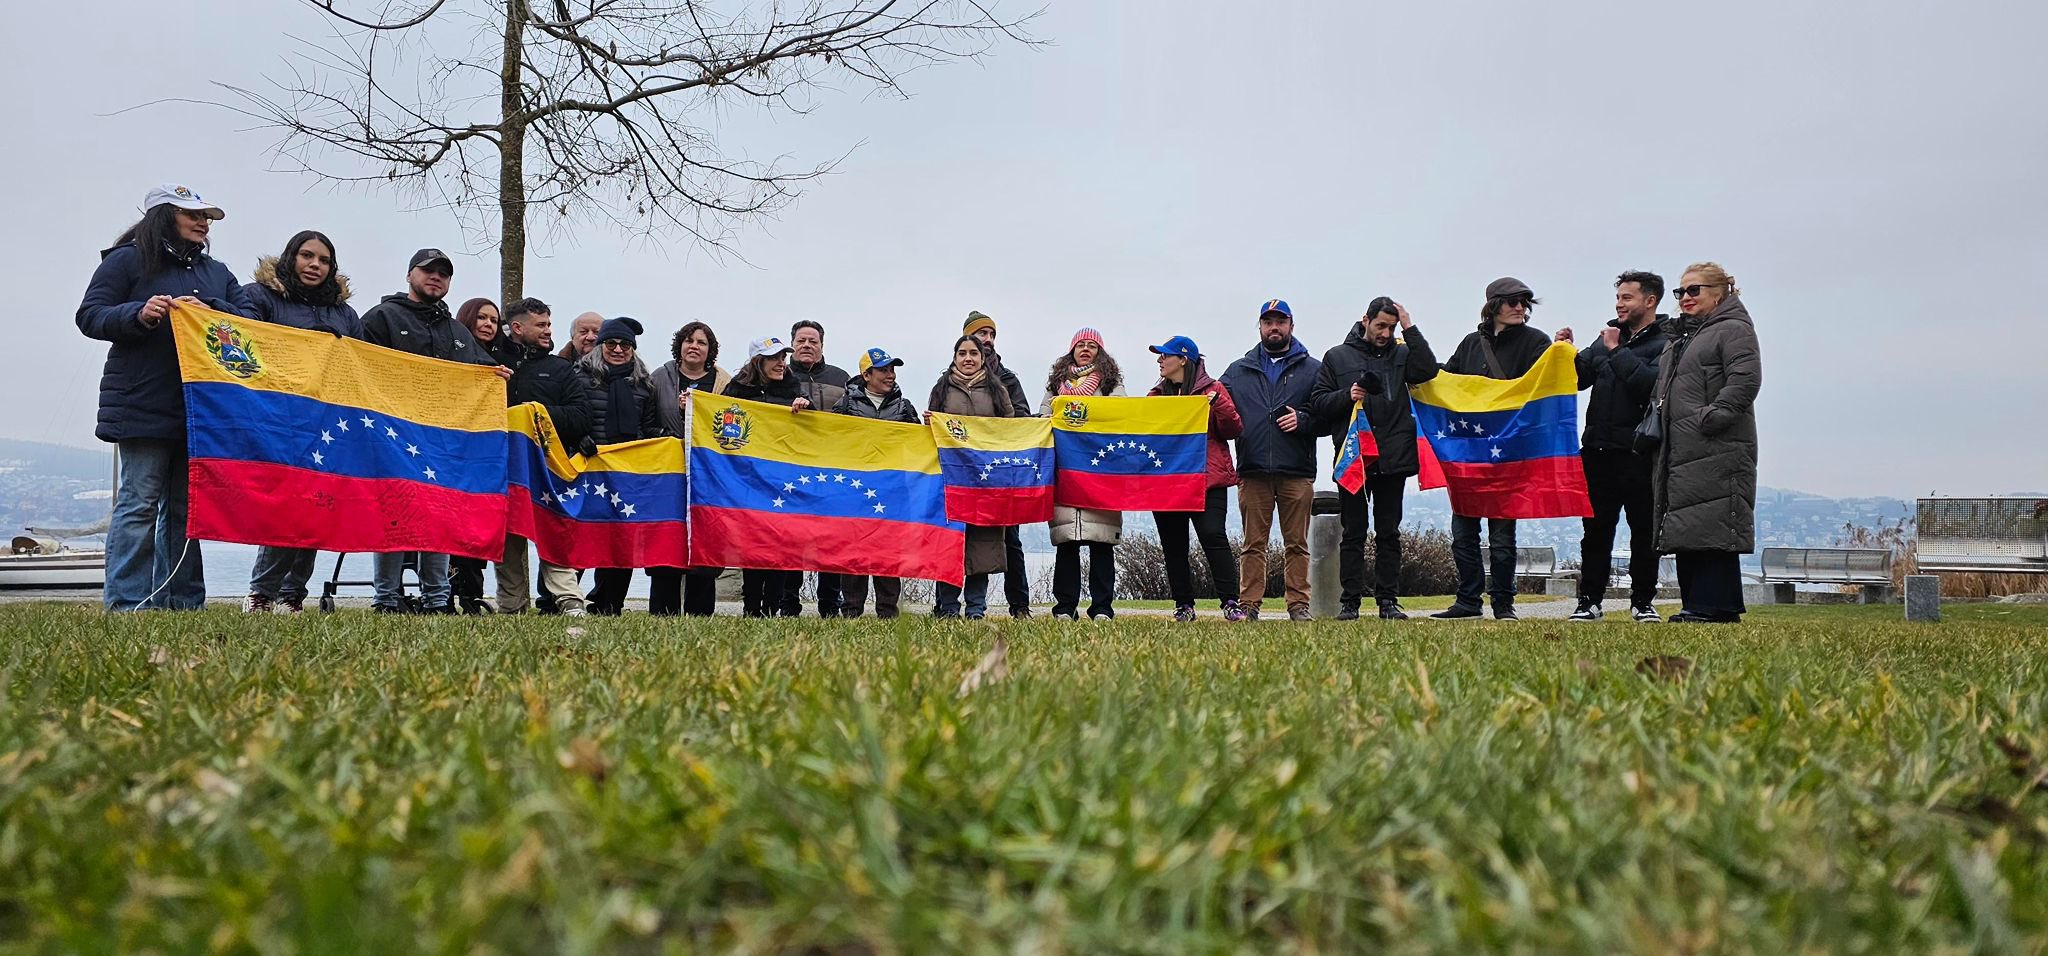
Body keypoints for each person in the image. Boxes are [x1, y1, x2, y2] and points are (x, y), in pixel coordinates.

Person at [77, 184, 256, 612]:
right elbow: (89, 315)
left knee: (184, 510)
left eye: (206, 217)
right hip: (141, 400)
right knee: (139, 503)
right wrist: (138, 313)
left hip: (201, 407)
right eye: (192, 214)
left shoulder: (217, 273)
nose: (203, 222)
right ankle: (127, 604)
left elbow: (251, 320)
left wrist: (212, 308)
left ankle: (182, 603)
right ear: (162, 217)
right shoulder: (126, 261)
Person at [361, 248, 509, 613]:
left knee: (439, 513)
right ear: (409, 274)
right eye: (428, 270)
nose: (436, 277)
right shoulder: (381, 317)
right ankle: (387, 598)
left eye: (444, 273)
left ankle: (437, 599)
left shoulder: (456, 330)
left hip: (443, 439)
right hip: (393, 434)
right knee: (394, 514)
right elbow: (359, 364)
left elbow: (481, 368)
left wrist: (495, 375)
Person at [1430, 277, 1568, 622]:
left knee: (1503, 537)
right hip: (1471, 455)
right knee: (1463, 534)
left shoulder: (1536, 342)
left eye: (1524, 302)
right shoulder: (1470, 344)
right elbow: (1448, 382)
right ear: (1493, 306)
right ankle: (1468, 600)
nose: (1519, 307)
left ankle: (1504, 604)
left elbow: (1549, 383)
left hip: (1509, 455)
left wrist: (1562, 353)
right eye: (1512, 301)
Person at [241, 229, 364, 614]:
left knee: (316, 508)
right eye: (307, 256)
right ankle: (262, 593)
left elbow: (363, 362)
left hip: (327, 423)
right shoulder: (260, 297)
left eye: (324, 260)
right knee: (286, 506)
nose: (315, 265)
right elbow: (246, 339)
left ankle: (292, 594)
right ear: (290, 257)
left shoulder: (344, 314)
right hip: (279, 419)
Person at [1307, 297, 1439, 620]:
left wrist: (1409, 327)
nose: (1385, 333)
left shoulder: (1402, 353)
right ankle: (1350, 602)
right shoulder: (1337, 357)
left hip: (1394, 455)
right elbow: (1318, 402)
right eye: (1381, 326)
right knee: (1353, 532)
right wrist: (1347, 395)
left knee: (1388, 533)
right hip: (1353, 456)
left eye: (1391, 327)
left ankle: (1388, 601)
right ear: (1365, 320)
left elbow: (1428, 369)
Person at [1651, 262, 1762, 624]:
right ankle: (1697, 604)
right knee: (1689, 524)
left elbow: (1745, 379)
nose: (1685, 297)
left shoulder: (1732, 329)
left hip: (1718, 444)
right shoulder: (1685, 337)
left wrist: (1711, 417)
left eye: (1694, 290)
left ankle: (1715, 606)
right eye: (1681, 291)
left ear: (1719, 293)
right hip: (1683, 446)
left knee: (1713, 522)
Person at [1570, 271, 1671, 623]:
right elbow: (1578, 379)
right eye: (1618, 297)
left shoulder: (1666, 342)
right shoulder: (1606, 337)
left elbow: (1650, 385)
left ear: (1650, 301)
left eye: (1627, 298)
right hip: (1598, 450)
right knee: (1595, 532)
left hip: (1640, 452)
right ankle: (1589, 601)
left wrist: (1616, 351)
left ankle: (1642, 601)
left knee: (1644, 530)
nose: (1619, 304)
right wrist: (1565, 352)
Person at [1219, 299, 1322, 622]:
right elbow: (1215, 405)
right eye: (1268, 322)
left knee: (1297, 544)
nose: (1274, 327)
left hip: (1297, 470)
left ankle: (1299, 605)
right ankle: (1249, 605)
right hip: (1253, 470)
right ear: (1260, 326)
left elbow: (1328, 414)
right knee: (1253, 544)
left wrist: (1303, 421)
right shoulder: (1238, 371)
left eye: (1280, 321)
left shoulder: (1313, 369)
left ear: (1291, 325)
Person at [497, 297, 596, 616]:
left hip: (547, 467)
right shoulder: (494, 363)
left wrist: (535, 415)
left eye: (549, 324)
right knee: (508, 534)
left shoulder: (559, 368)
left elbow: (582, 416)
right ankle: (511, 605)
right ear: (517, 327)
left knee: (554, 529)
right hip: (504, 465)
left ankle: (569, 599)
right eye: (540, 325)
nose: (548, 330)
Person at [577, 317, 678, 615]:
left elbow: (647, 426)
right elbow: (571, 415)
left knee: (621, 537)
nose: (618, 349)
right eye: (611, 343)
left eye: (625, 345)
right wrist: (577, 438)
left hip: (626, 472)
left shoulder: (643, 385)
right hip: (588, 467)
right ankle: (561, 599)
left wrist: (664, 440)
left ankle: (609, 603)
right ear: (600, 345)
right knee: (581, 535)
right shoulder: (580, 376)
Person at [1147, 336, 1246, 622]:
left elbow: (1233, 429)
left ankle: (1230, 601)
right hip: (1168, 482)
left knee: (1213, 535)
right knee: (1173, 544)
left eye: (1165, 355)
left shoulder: (1214, 390)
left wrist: (1218, 405)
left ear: (1183, 359)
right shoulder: (1155, 396)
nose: (1160, 361)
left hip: (1207, 480)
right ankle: (1184, 605)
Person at [927, 335, 1019, 618]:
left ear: (982, 358)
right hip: (950, 481)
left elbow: (1010, 429)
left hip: (986, 482)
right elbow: (930, 435)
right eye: (962, 353)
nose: (968, 358)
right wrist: (929, 423)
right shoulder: (941, 388)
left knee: (983, 544)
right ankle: (948, 607)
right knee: (950, 542)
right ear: (954, 357)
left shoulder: (997, 389)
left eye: (973, 353)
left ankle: (976, 607)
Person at [954, 311, 1037, 617]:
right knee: (957, 536)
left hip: (1000, 472)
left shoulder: (1008, 379)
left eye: (991, 334)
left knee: (1010, 539)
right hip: (962, 474)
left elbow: (1022, 417)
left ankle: (1019, 605)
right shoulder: (947, 382)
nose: (987, 339)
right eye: (981, 334)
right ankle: (946, 604)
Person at [1040, 328, 1125, 620]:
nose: (1086, 349)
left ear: (1100, 352)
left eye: (1092, 345)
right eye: (1080, 345)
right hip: (1066, 470)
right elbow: (1042, 419)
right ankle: (1065, 607)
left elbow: (1121, 414)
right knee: (1067, 542)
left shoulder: (1112, 383)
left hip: (1100, 472)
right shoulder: (1055, 385)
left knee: (1102, 542)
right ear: (1072, 350)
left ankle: (1102, 607)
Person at [726, 336, 811, 616]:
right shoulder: (737, 390)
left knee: (779, 544)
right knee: (752, 544)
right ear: (757, 361)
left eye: (782, 357)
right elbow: (718, 421)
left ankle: (772, 607)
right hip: (748, 478)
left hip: (781, 479)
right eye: (774, 358)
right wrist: (690, 407)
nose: (781, 363)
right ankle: (751, 607)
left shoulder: (792, 387)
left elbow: (810, 431)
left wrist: (806, 406)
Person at [832, 347, 919, 618]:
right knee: (854, 548)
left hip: (892, 490)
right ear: (866, 375)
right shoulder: (845, 405)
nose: (890, 375)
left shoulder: (904, 407)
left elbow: (919, 445)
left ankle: (888, 611)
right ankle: (851, 609)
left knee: (889, 549)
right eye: (883, 370)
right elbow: (830, 441)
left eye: (892, 370)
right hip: (855, 489)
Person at [651, 321, 729, 615]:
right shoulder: (659, 378)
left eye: (701, 342)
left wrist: (697, 414)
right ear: (680, 345)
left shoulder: (724, 383)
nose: (694, 346)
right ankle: (663, 612)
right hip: (667, 471)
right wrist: (667, 438)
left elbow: (731, 429)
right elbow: (646, 420)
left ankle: (700, 613)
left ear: (710, 350)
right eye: (689, 340)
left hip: (708, 474)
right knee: (666, 537)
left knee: (704, 539)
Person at [781, 320, 851, 617]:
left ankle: (829, 603)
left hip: (831, 468)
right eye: (801, 340)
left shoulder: (841, 377)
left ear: (822, 345)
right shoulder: (780, 376)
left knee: (830, 537)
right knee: (791, 537)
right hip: (792, 467)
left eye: (813, 341)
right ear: (792, 344)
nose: (807, 345)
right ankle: (788, 602)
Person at [445, 296, 508, 614]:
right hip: (450, 446)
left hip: (483, 453)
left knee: (478, 522)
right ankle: (444, 592)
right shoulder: (450, 352)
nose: (488, 324)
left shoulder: (501, 359)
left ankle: (472, 594)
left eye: (494, 320)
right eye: (482, 318)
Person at [456, 297, 513, 366]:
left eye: (494, 321)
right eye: (481, 317)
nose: (489, 324)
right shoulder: (451, 351)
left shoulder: (503, 358)